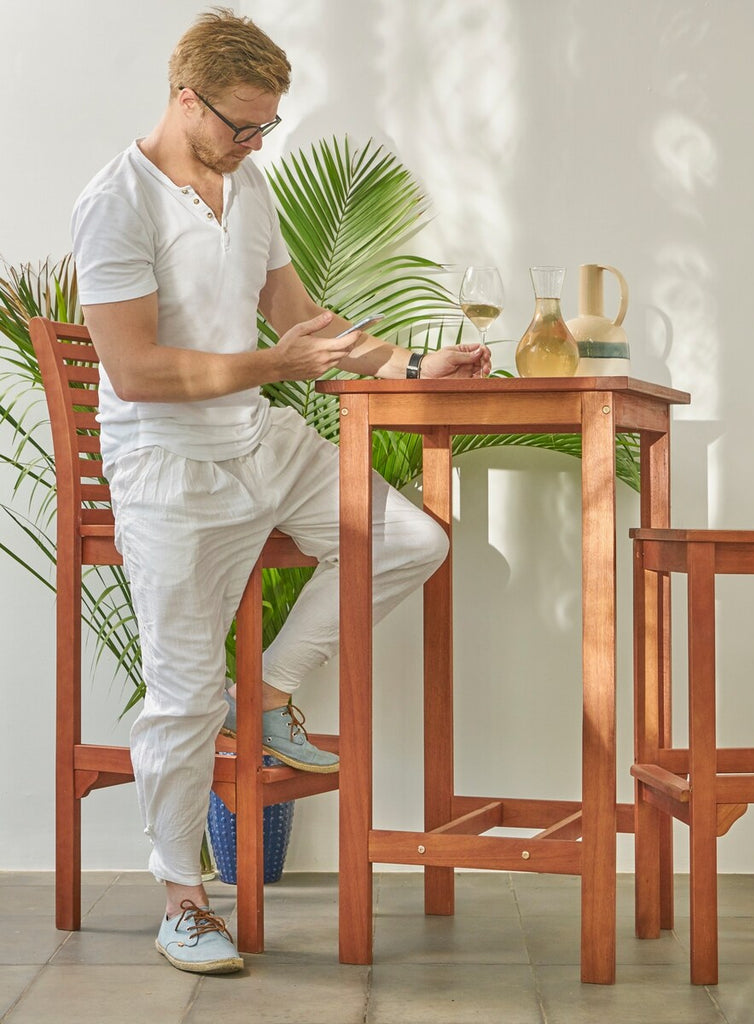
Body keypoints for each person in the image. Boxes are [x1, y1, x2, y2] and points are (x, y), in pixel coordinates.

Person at [70, 7, 490, 975]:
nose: (254, 142)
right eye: (239, 124)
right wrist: (271, 362)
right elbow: (133, 371)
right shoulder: (117, 202)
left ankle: (263, 695)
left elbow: (304, 321)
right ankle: (184, 898)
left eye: (266, 127)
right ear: (186, 97)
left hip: (266, 441)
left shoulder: (247, 182)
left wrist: (416, 363)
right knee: (179, 696)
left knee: (410, 540)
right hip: (170, 466)